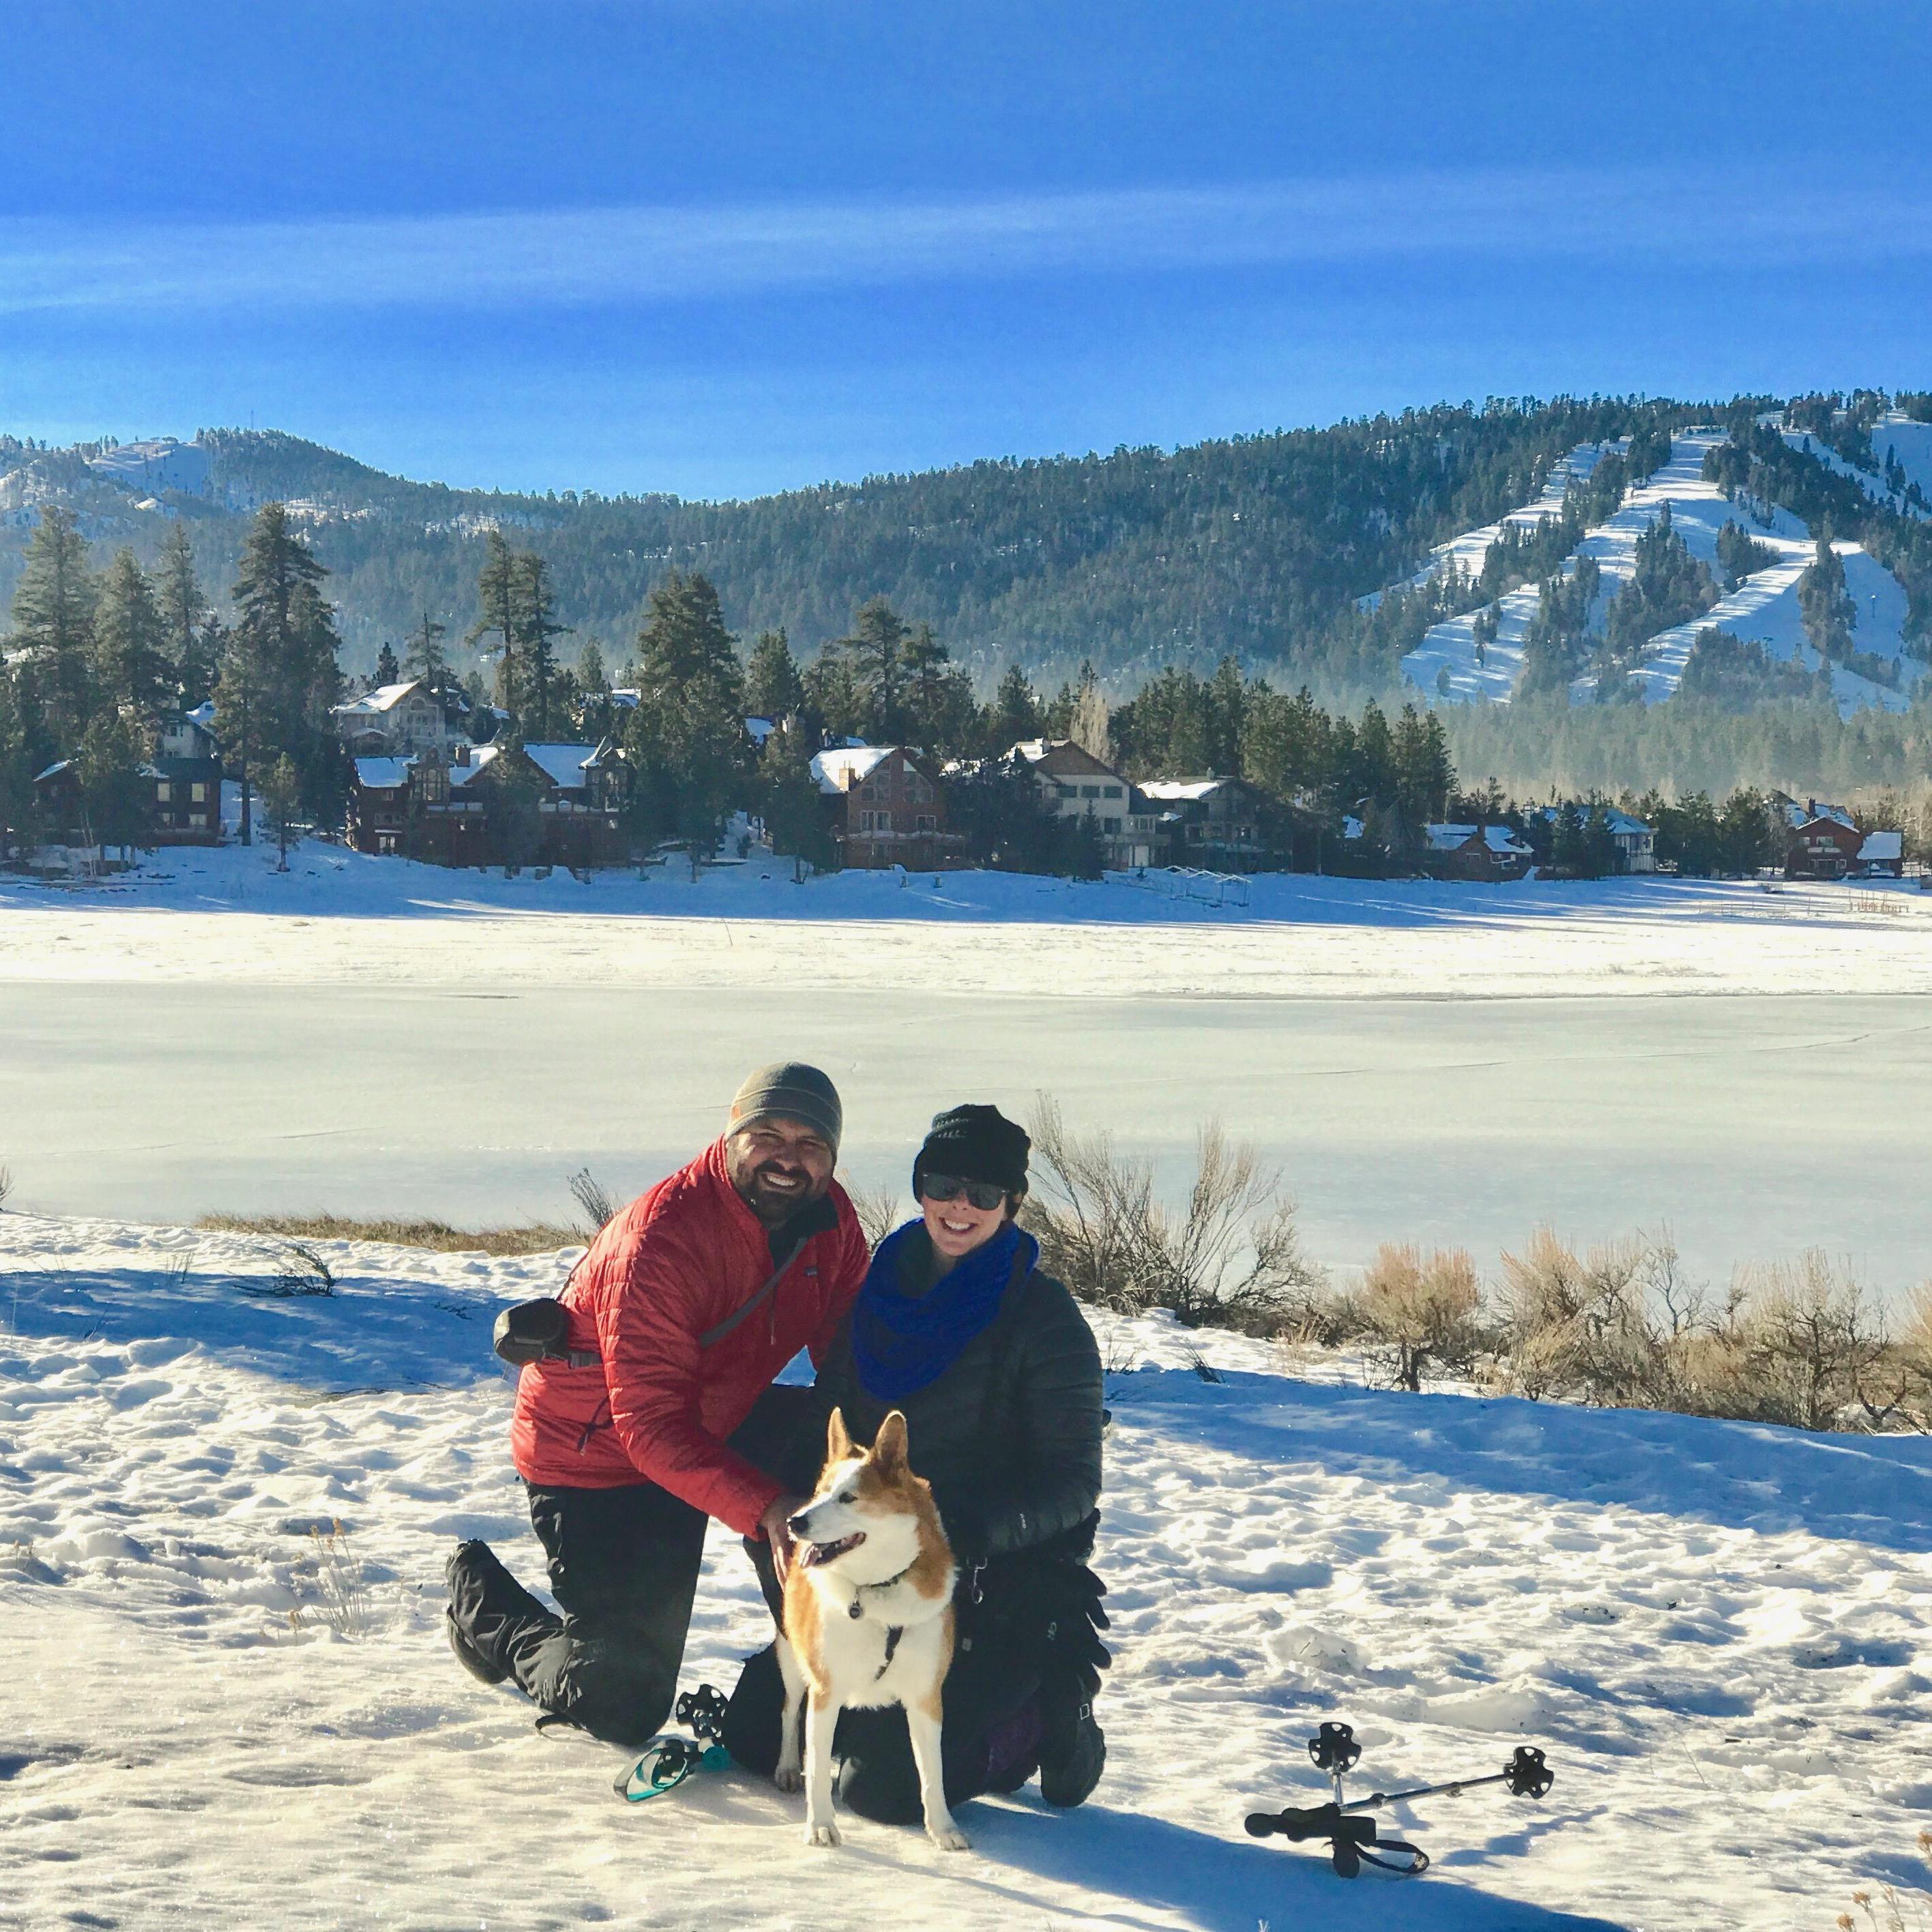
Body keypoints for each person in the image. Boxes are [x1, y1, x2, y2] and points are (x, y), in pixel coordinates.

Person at [445, 1062, 871, 1745]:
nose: (789, 1160)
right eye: (769, 1136)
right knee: (620, 1703)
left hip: (713, 1419)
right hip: (602, 1455)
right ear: (733, 1135)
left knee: (837, 1454)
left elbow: (850, 1359)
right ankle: (483, 1607)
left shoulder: (832, 1221)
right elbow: (647, 1429)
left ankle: (820, 1666)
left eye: (811, 1144)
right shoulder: (663, 1239)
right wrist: (768, 1508)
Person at [722, 1103, 1109, 1820]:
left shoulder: (1044, 1320)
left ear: (1012, 1204)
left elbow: (1074, 1482)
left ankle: (1043, 1716)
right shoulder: (882, 1294)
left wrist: (970, 1529)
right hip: (877, 1568)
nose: (960, 1206)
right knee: (750, 1736)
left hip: (997, 1584)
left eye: (985, 1193)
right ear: (921, 1188)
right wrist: (795, 1515)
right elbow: (825, 1423)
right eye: (943, 1184)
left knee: (882, 1788)